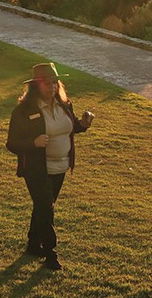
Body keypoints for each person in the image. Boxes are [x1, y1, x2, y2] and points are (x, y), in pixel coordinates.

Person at [6, 62, 94, 271]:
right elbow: (12, 143)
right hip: (37, 168)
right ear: (36, 86)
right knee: (47, 208)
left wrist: (82, 124)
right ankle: (50, 254)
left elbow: (69, 127)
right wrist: (33, 143)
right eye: (47, 83)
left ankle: (33, 244)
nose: (52, 87)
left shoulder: (64, 105)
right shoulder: (23, 111)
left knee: (43, 206)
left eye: (55, 82)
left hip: (60, 167)